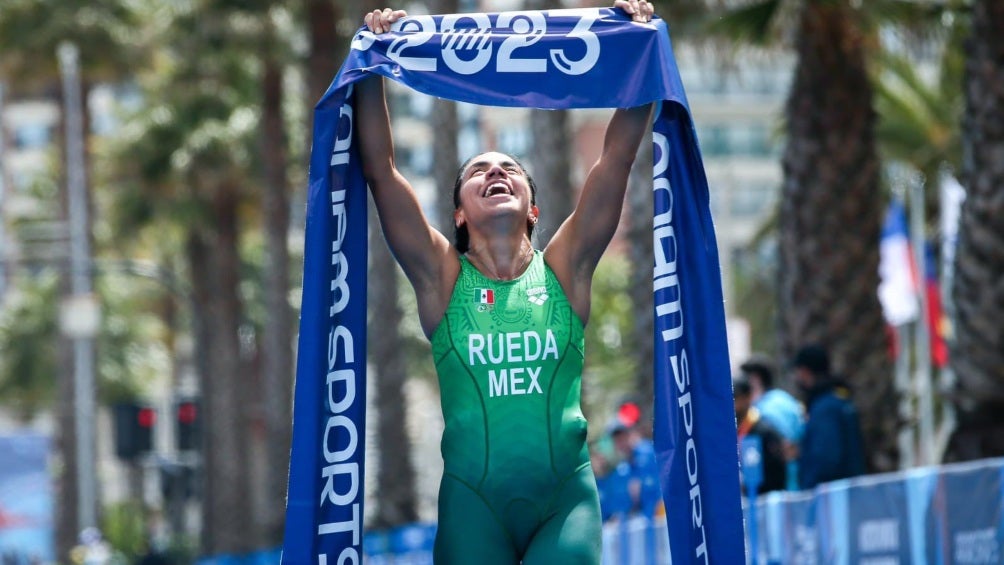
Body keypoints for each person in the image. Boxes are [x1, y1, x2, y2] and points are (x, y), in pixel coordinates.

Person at [359, 2, 655, 563]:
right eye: (478, 171)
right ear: (460, 215)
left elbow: (616, 159)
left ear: (534, 209)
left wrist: (637, 45)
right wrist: (372, 63)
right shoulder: (441, 277)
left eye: (509, 169)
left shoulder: (566, 269)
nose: (495, 172)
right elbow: (381, 169)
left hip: (564, 504)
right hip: (474, 507)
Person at [790, 344, 866, 489]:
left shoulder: (824, 409)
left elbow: (826, 458)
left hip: (831, 499)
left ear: (805, 372)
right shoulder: (840, 401)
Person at [739, 354, 804, 490]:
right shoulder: (785, 399)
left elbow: (784, 448)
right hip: (796, 480)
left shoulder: (765, 410)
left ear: (755, 380)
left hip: (782, 486)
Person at [732, 376, 787, 494]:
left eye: (735, 399)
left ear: (748, 398)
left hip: (762, 500)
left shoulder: (764, 431)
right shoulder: (731, 430)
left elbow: (776, 472)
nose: (732, 405)